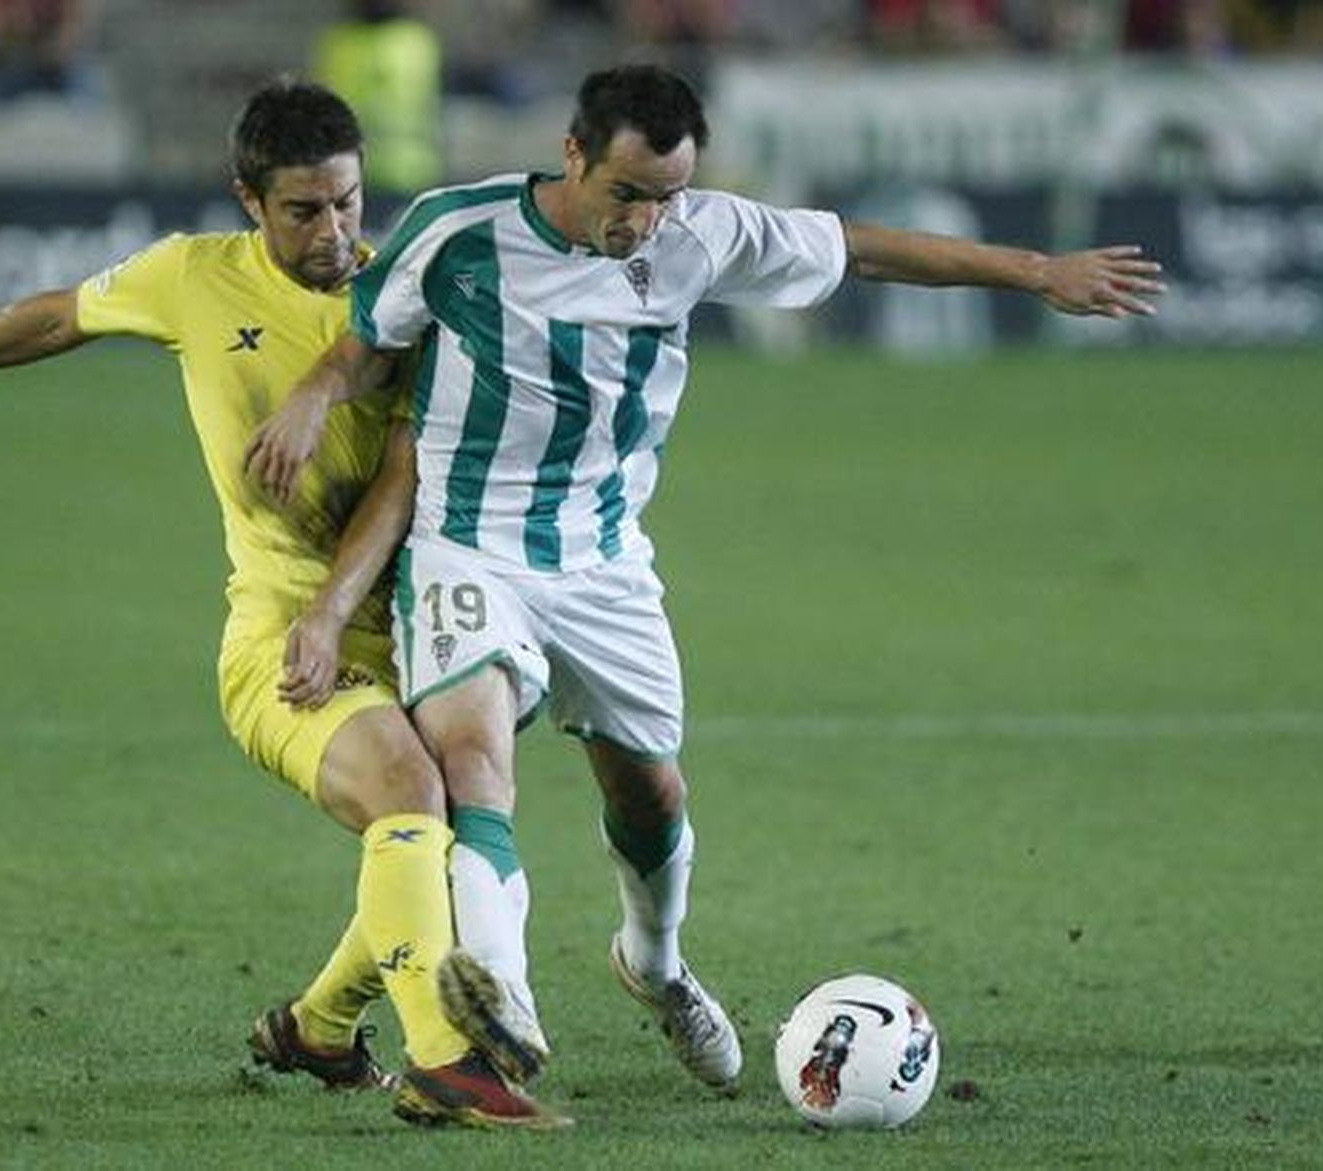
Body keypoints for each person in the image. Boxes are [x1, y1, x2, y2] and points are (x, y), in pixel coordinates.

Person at [245, 63, 1165, 1096]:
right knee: (471, 762)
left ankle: (654, 961)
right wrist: (315, 396)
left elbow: (857, 250)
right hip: (467, 546)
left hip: (602, 561)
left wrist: (1037, 272)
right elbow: (370, 344)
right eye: (625, 193)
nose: (644, 220)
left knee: (649, 792)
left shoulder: (699, 234)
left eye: (666, 195)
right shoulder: (458, 231)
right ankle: (501, 1000)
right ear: (573, 157)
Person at [0, 79, 564, 1131]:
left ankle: (317, 1027)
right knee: (409, 792)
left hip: (400, 628)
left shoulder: (400, 302)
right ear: (248, 200)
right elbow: (56, 316)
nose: (334, 231)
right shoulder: (190, 278)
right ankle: (448, 1060)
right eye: (305, 209)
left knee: (446, 824)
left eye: (349, 203)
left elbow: (404, 477)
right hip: (275, 642)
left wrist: (335, 607)